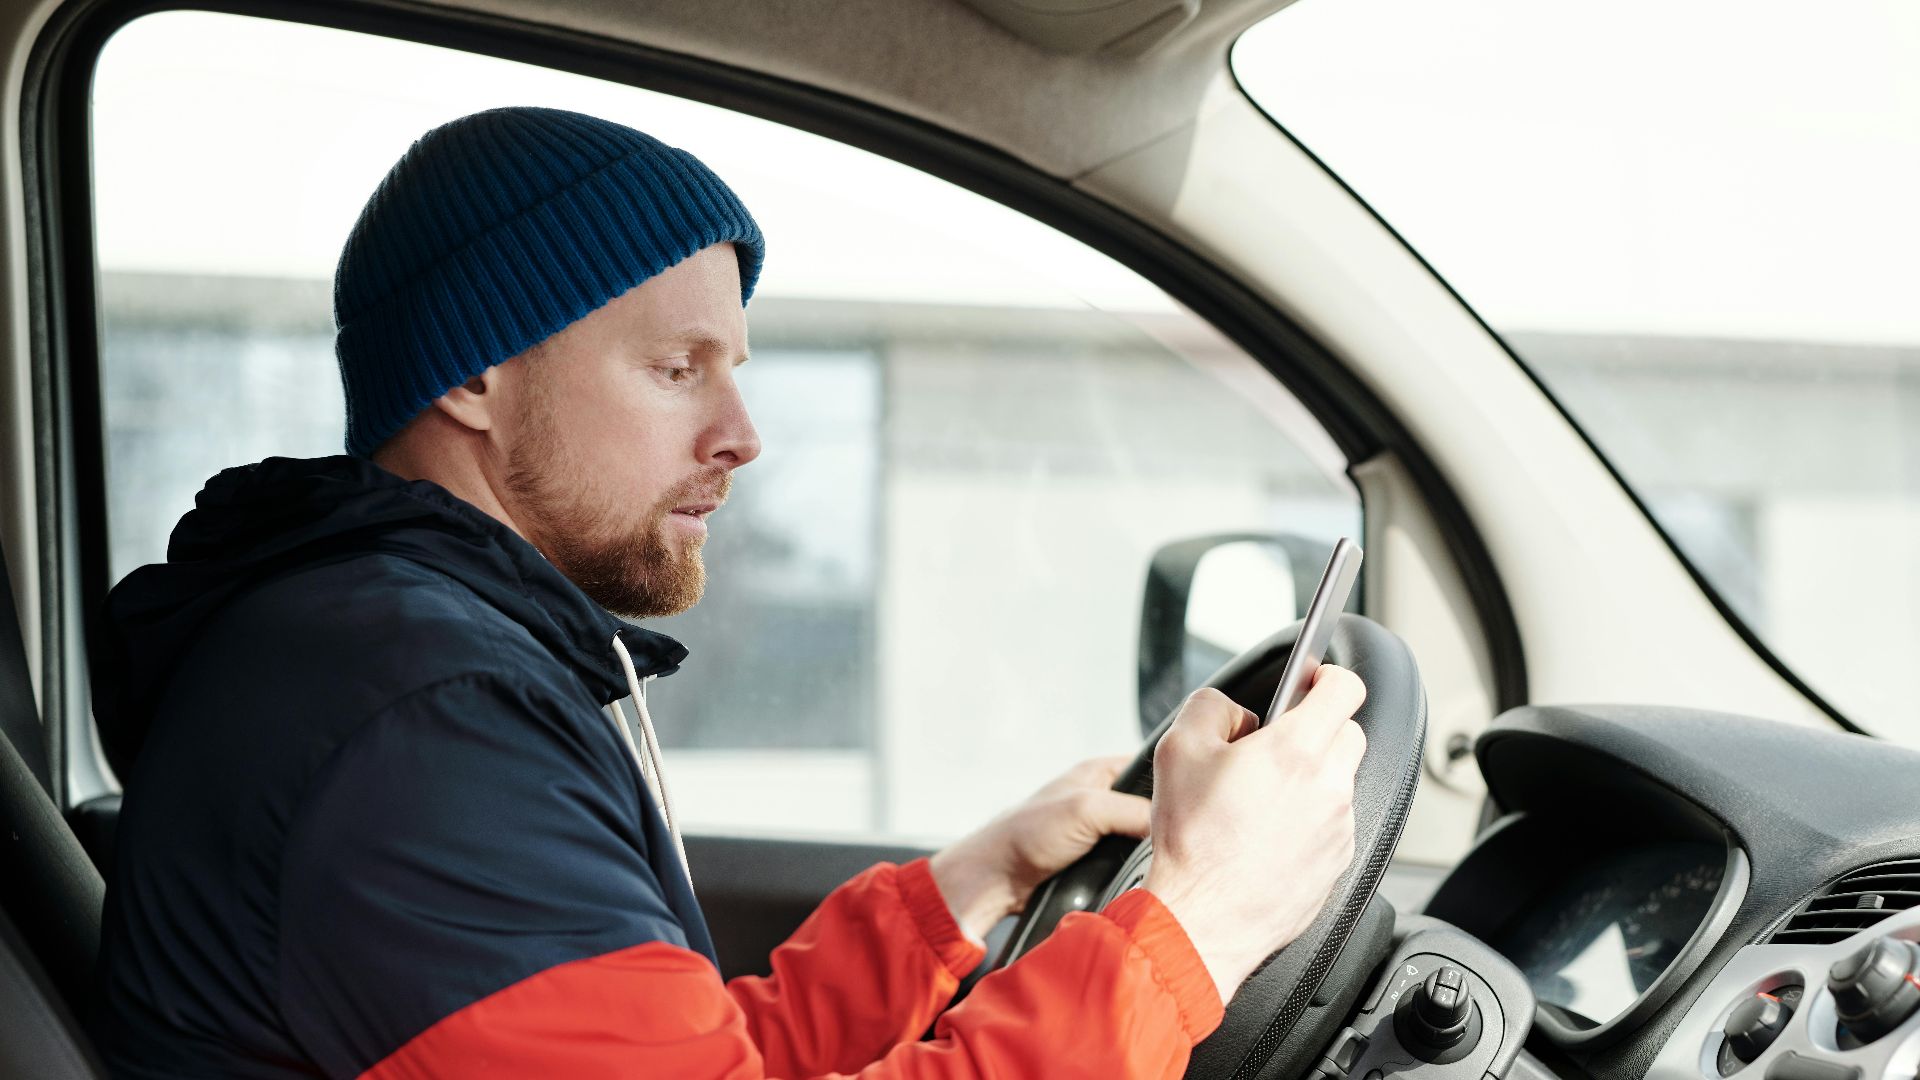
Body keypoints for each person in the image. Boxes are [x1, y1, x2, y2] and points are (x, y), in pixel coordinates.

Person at [85, 105, 1368, 1079]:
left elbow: (672, 1050)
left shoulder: (402, 656)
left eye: (735, 367)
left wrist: (970, 886)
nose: (743, 432)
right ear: (475, 376)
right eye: (677, 367)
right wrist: (1199, 920)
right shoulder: (414, 722)